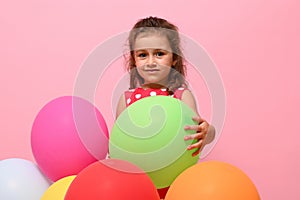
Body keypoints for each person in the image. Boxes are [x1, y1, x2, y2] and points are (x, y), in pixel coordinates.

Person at [115, 16, 215, 199]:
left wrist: (207, 132)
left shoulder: (181, 96)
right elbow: (119, 144)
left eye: (159, 53)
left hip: (176, 183)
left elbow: (197, 132)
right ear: (134, 60)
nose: (151, 61)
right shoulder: (127, 99)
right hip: (137, 185)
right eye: (142, 55)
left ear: (174, 59)